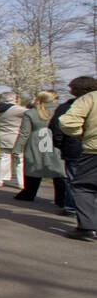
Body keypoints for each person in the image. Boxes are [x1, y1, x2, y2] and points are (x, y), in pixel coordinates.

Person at [49, 77, 97, 216]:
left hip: (80, 147)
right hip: (81, 146)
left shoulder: (72, 105)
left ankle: (73, 208)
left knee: (78, 182)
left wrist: (80, 136)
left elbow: (60, 126)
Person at [12, 91, 66, 206]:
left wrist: (17, 148)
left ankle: (28, 193)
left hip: (36, 140)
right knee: (59, 168)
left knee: (33, 166)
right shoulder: (61, 110)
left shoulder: (32, 112)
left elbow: (24, 133)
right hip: (55, 139)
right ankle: (61, 198)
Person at [0, 92, 27, 188]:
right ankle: (21, 182)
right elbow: (31, 112)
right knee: (19, 159)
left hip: (3, 135)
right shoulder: (16, 109)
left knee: (4, 157)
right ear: (13, 99)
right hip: (15, 136)